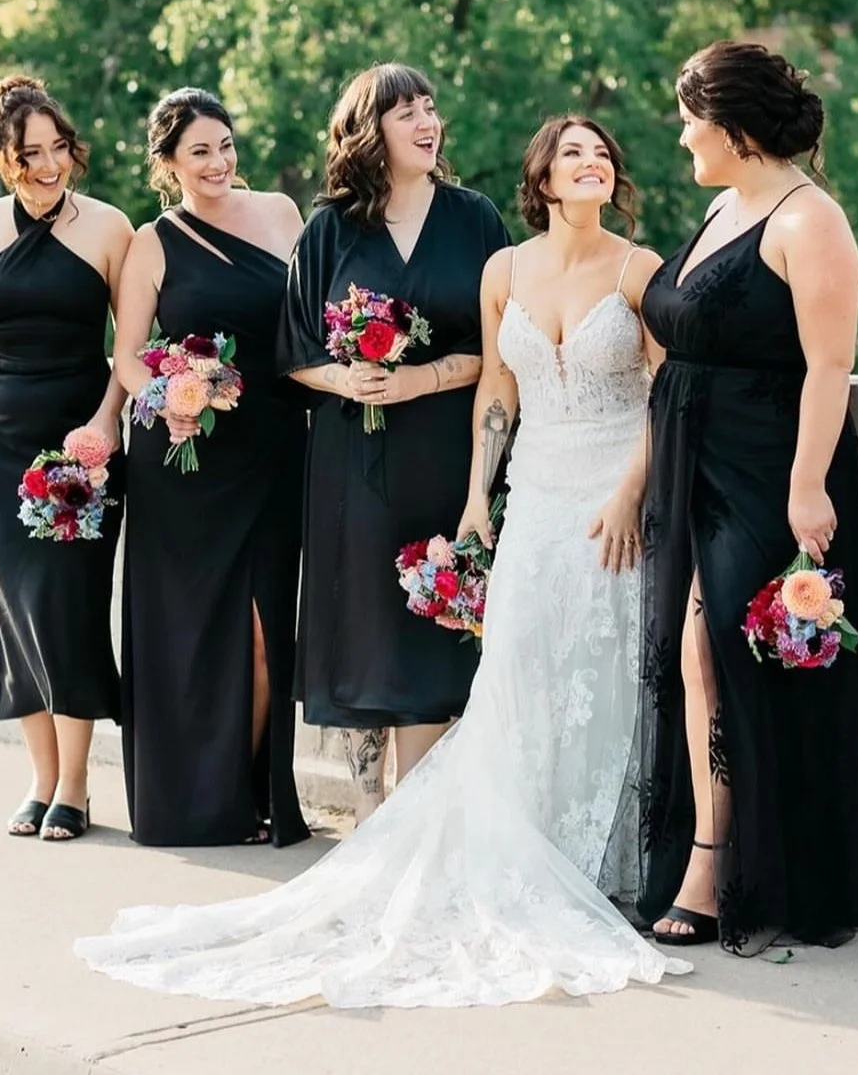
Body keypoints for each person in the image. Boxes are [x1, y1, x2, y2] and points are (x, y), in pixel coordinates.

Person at [75, 114, 688, 1007]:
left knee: (605, 671)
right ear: (543, 180)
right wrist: (479, 496)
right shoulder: (444, 252)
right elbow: (494, 388)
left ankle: (622, 860)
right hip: (497, 486)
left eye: (603, 152)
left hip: (601, 492)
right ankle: (461, 839)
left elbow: (661, 391)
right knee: (516, 677)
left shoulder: (617, 263)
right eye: (571, 154)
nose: (591, 163)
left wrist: (627, 491)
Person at [614, 40, 858, 953]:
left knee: (719, 655)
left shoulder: (809, 219)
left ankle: (716, 867)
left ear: (733, 128)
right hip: (692, 462)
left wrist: (809, 485)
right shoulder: (722, 205)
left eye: (690, 114)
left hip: (767, 470)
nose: (681, 130)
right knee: (700, 660)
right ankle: (714, 858)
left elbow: (832, 363)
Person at [277, 62, 510, 821]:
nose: (425, 121)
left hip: (445, 454)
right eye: (405, 110)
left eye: (430, 106)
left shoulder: (477, 221)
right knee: (365, 621)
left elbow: (500, 349)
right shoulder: (330, 229)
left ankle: (420, 819)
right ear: (368, 130)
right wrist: (346, 380)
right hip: (353, 462)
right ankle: (371, 822)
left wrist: (419, 380)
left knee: (436, 624)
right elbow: (295, 350)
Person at [113, 88, 310, 848]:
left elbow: (304, 325)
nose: (218, 161)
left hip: (272, 447)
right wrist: (166, 397)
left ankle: (253, 788)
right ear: (169, 163)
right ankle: (194, 802)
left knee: (264, 631)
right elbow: (126, 355)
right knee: (188, 635)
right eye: (199, 151)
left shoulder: (283, 214)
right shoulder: (151, 241)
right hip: (185, 461)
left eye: (225, 145)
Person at [0, 75, 132, 842]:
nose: (51, 163)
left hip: (79, 445)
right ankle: (40, 776)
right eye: (31, 153)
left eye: (59, 146)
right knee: (16, 617)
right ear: (2, 157)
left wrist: (104, 429)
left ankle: (79, 784)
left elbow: (129, 350)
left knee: (70, 607)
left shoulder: (110, 228)